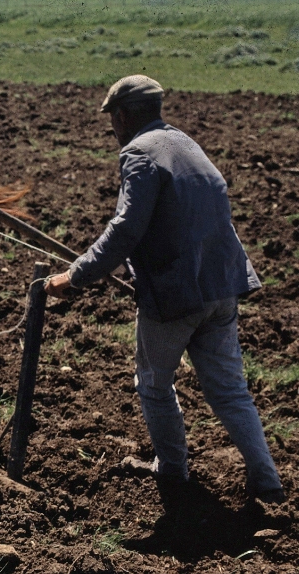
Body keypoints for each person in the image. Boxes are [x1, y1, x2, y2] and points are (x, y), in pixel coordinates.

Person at [44, 74, 285, 508]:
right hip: (220, 288)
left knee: (154, 384)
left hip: (175, 298)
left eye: (112, 118)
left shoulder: (138, 153)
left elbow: (125, 230)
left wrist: (76, 276)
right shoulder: (187, 144)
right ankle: (267, 480)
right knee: (230, 390)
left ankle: (172, 470)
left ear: (121, 116)